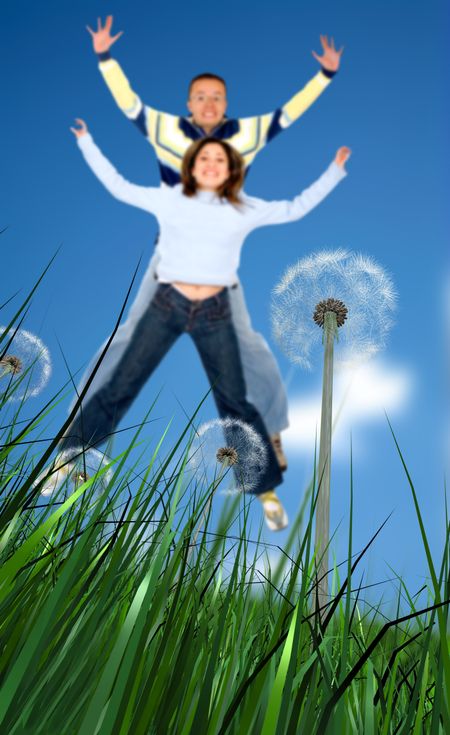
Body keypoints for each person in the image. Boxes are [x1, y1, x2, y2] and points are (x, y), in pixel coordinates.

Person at [42, 120, 350, 531]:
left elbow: (295, 208)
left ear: (231, 170)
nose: (210, 164)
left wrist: (335, 170)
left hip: (215, 311)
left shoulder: (243, 208)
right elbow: (119, 187)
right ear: (189, 166)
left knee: (235, 400)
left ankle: (265, 490)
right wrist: (86, 142)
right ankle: (68, 457)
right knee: (121, 382)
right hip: (166, 303)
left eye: (219, 159)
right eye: (203, 158)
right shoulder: (171, 200)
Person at [74, 16, 344, 472]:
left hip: (219, 271)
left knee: (251, 349)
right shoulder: (165, 130)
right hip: (172, 262)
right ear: (188, 103)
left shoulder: (244, 136)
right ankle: (76, 441)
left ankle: (269, 437)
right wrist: (105, 59)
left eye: (217, 96)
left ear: (225, 104)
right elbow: (130, 107)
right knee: (124, 343)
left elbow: (287, 115)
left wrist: (324, 76)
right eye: (200, 96)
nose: (208, 102)